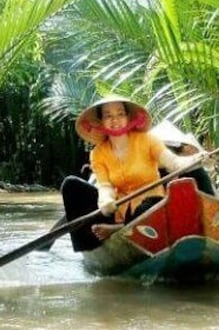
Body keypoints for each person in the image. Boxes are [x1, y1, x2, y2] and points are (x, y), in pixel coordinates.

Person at [61, 95, 209, 252]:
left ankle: (119, 228)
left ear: (128, 117)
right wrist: (105, 201)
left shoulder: (147, 140)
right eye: (108, 116)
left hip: (152, 206)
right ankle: (92, 251)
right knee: (71, 185)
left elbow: (174, 163)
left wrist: (196, 158)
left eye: (120, 114)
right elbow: (105, 186)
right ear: (101, 122)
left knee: (147, 207)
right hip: (120, 210)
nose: (115, 120)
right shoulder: (97, 154)